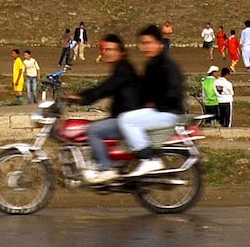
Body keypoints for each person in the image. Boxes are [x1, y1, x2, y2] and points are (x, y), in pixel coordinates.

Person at [67, 35, 146, 185]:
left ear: (121, 52)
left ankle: (106, 168)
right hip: (125, 117)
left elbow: (104, 89)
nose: (107, 52)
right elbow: (105, 88)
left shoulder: (123, 70)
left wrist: (80, 97)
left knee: (93, 130)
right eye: (105, 49)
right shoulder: (122, 68)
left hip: (127, 119)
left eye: (111, 49)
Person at [114, 25, 185, 176]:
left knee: (126, 120)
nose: (145, 47)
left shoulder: (167, 65)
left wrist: (155, 103)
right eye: (143, 43)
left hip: (168, 112)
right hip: (160, 110)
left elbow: (174, 92)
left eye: (149, 43)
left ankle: (149, 159)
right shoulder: (152, 65)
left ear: (160, 44)